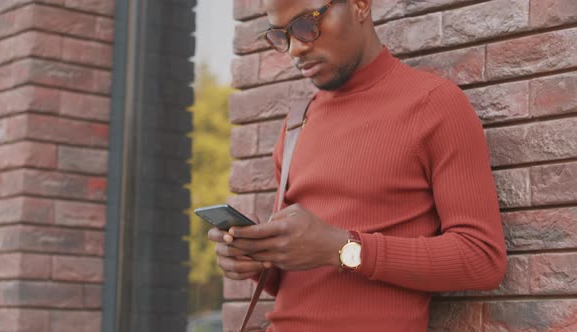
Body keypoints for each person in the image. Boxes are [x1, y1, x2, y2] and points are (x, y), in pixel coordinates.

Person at [208, 0, 507, 330]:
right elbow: (300, 282)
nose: (295, 50)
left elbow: (482, 259)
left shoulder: (434, 105)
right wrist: (257, 263)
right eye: (281, 37)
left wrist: (342, 248)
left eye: (306, 26)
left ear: (360, 5)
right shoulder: (296, 123)